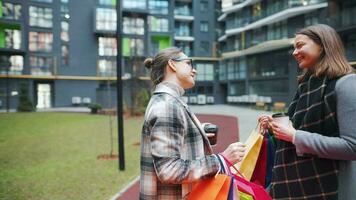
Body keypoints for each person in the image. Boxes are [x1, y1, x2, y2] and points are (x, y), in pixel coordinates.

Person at [259, 24, 356, 200]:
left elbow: (351, 146)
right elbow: (295, 134)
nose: (294, 52)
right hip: (292, 187)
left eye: (300, 45)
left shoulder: (347, 84)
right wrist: (275, 129)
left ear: (323, 45)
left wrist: (295, 136)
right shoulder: (305, 87)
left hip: (328, 190)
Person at [140, 47, 246, 199]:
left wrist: (197, 133)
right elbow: (169, 170)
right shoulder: (168, 105)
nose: (194, 70)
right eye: (189, 63)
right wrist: (222, 159)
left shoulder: (167, 101)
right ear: (172, 65)